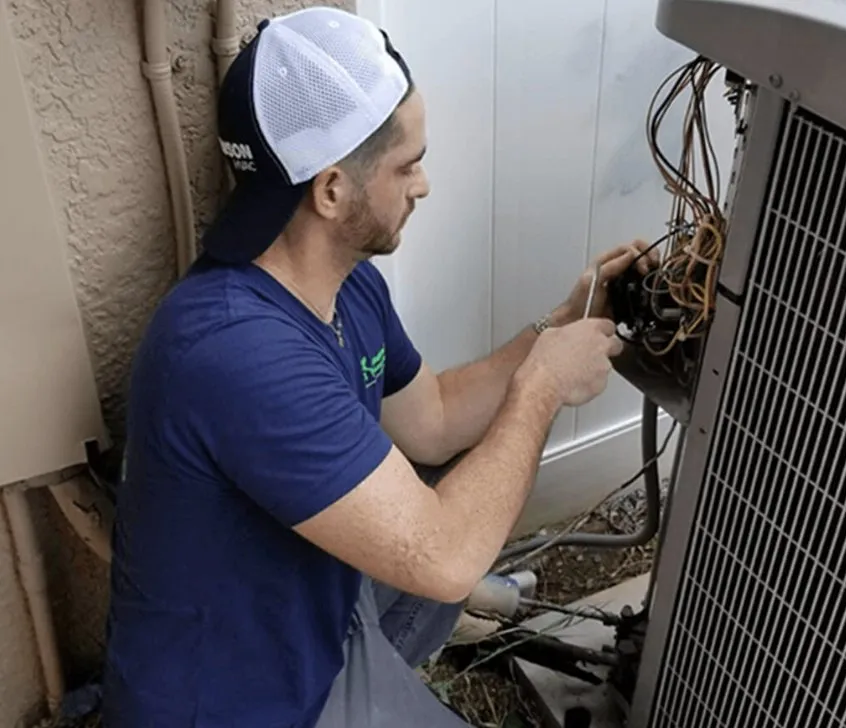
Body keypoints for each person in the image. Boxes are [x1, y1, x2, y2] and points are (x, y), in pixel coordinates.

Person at [101, 6, 657, 727]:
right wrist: (544, 385)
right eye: (408, 164)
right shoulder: (235, 353)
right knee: (446, 546)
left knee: (439, 491)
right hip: (248, 702)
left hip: (314, 617)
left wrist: (560, 325)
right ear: (331, 189)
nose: (423, 184)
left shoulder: (341, 279)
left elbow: (431, 422)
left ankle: (389, 656)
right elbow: (446, 555)